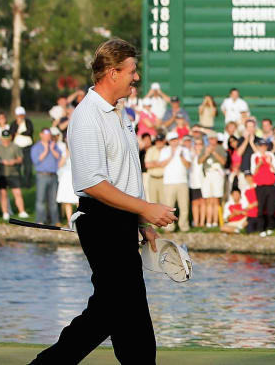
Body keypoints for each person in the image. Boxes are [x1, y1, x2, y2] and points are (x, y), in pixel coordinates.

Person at [30, 38, 175, 365]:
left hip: (122, 221)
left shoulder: (120, 114)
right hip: (101, 222)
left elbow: (125, 175)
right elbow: (92, 183)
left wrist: (141, 222)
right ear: (113, 73)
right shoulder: (87, 116)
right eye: (132, 71)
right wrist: (145, 208)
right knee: (113, 311)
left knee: (125, 312)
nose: (136, 77)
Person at [159, 132, 192, 233]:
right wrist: (171, 156)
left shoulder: (185, 150)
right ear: (169, 141)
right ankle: (169, 227)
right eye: (172, 140)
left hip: (182, 181)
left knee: (184, 206)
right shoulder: (164, 150)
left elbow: (188, 165)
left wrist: (181, 157)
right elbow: (161, 164)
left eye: (176, 139)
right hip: (169, 182)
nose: (174, 141)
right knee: (169, 207)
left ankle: (184, 226)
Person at [31, 129, 62, 225]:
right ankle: (40, 220)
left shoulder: (54, 145)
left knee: (53, 200)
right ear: (41, 135)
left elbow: (59, 157)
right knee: (41, 200)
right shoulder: (36, 147)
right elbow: (36, 160)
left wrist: (52, 149)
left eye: (49, 135)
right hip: (42, 176)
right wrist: (46, 150)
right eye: (45, 134)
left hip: (53, 175)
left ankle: (55, 221)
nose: (48, 137)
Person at [251, 138, 275, 237]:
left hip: (270, 185)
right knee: (261, 207)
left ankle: (270, 226)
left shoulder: (271, 155)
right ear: (258, 147)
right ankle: (261, 228)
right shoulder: (254, 156)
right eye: (261, 146)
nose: (263, 148)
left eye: (264, 146)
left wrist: (269, 163)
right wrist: (259, 164)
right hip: (260, 185)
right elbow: (253, 172)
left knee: (271, 207)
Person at [0, 129, 27, 220]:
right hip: (1, 173)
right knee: (3, 194)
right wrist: (2, 161)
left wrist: (14, 161)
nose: (5, 140)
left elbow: (20, 159)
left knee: (17, 193)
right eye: (4, 138)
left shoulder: (15, 146)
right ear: (1, 138)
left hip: (13, 173)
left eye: (7, 138)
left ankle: (22, 211)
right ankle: (5, 213)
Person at [199, 135, 226, 228]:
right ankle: (208, 221)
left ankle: (215, 221)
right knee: (208, 199)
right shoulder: (204, 148)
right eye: (210, 139)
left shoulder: (220, 148)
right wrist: (206, 154)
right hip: (207, 174)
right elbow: (199, 161)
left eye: (213, 138)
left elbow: (223, 162)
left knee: (216, 199)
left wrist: (214, 152)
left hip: (217, 174)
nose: (212, 140)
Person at [54, 131, 78, 225]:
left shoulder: (79, 151)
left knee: (78, 200)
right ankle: (69, 221)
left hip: (75, 177)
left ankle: (79, 220)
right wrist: (66, 156)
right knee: (67, 200)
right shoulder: (64, 152)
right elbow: (59, 165)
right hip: (66, 178)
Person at [10, 106, 35, 187]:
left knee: (28, 167)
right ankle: (18, 183)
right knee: (17, 167)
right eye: (19, 115)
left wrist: (20, 133)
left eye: (22, 115)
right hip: (17, 148)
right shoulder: (14, 123)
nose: (21, 116)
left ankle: (27, 183)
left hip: (27, 147)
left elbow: (29, 131)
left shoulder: (28, 122)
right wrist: (18, 125)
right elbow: (12, 132)